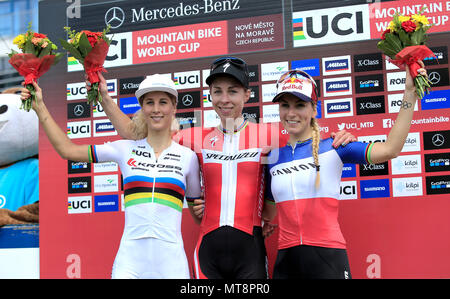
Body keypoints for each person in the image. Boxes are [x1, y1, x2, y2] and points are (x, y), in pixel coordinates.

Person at [94, 56, 355, 279]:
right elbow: (137, 137)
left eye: (233, 90)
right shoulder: (193, 137)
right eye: (217, 91)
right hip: (208, 250)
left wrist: (343, 137)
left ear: (247, 95)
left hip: (251, 249)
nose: (225, 98)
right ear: (209, 96)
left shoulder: (271, 135)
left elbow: (311, 137)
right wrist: (104, 98)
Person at [20, 75, 202, 279]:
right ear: (142, 108)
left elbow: (198, 217)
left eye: (163, 102)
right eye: (149, 102)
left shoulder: (188, 158)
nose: (156, 109)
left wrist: (204, 209)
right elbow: (67, 150)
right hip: (130, 261)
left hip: (172, 263)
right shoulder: (124, 149)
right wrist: (40, 107)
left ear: (174, 107)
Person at [264, 63, 427, 279]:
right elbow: (267, 213)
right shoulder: (272, 159)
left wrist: (409, 94)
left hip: (328, 257)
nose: (291, 113)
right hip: (287, 260)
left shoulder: (335, 147)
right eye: (285, 105)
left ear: (314, 109)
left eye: (300, 105)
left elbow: (391, 149)